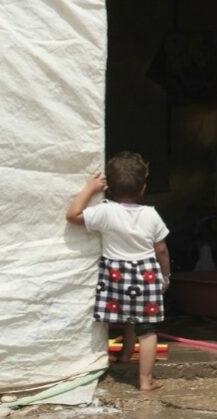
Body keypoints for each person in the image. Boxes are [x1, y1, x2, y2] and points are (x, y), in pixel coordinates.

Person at [67, 151, 173, 392]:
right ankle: (145, 380)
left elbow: (72, 216)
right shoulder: (151, 214)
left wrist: (89, 188)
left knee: (128, 316)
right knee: (146, 329)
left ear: (109, 188)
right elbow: (162, 249)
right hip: (145, 274)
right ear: (143, 188)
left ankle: (125, 355)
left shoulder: (105, 211)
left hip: (116, 274)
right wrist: (165, 276)